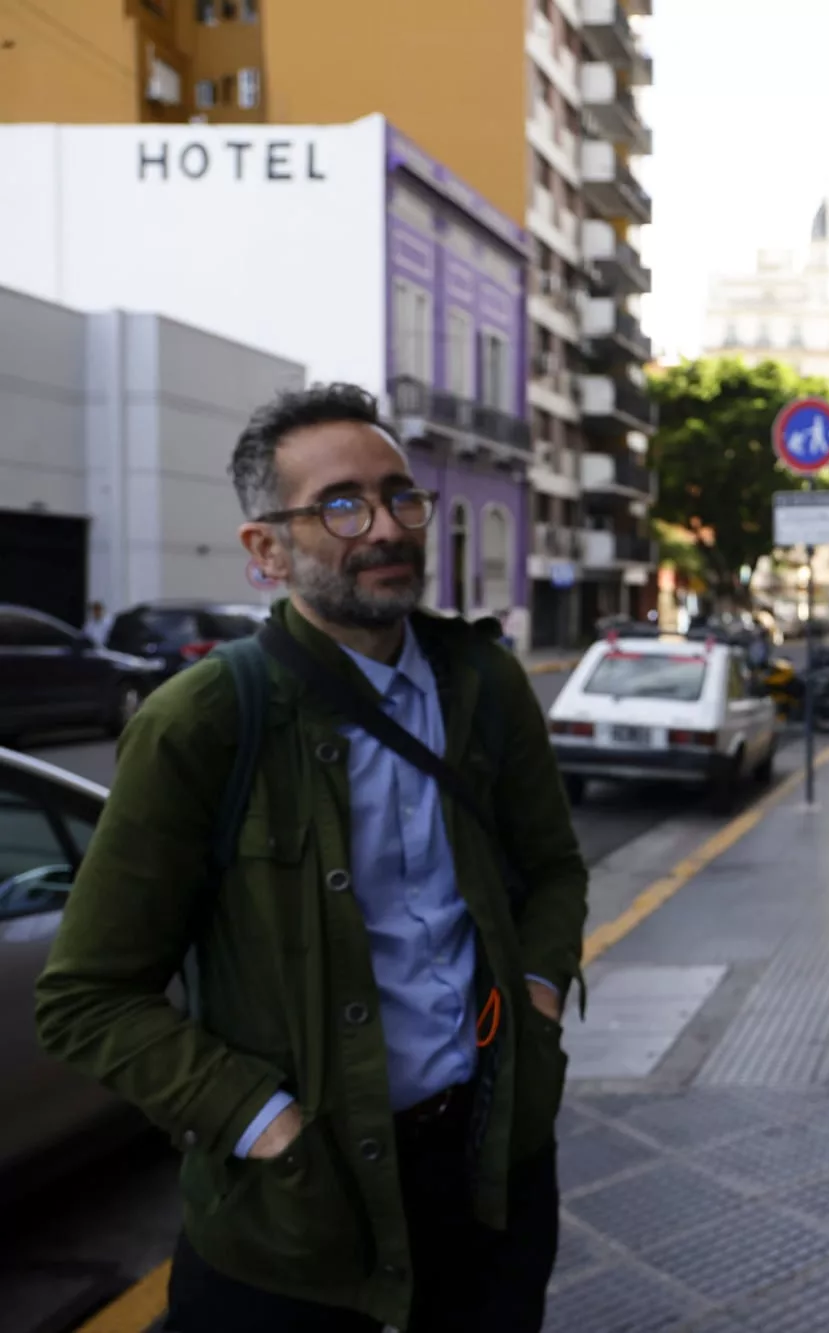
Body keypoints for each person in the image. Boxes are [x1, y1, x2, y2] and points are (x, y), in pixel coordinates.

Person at [36, 384, 588, 1332]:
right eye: (342, 504)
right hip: (296, 1213)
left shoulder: (483, 682)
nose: (385, 527)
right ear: (266, 548)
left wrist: (536, 995)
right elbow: (88, 997)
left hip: (492, 1172)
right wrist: (264, 1121)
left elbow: (553, 868)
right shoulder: (202, 723)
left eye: (400, 495)